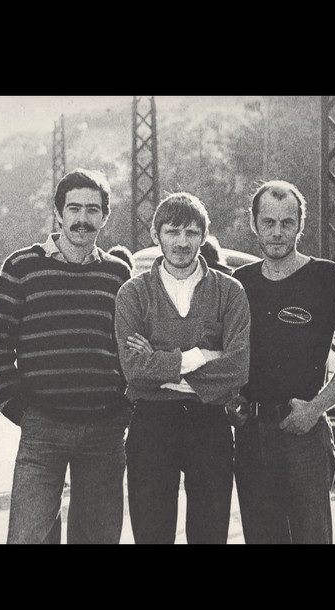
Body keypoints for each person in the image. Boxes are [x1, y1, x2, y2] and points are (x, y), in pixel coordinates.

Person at [0, 168, 132, 544]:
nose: (83, 219)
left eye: (93, 210)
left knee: (98, 539)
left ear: (105, 216)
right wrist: (21, 411)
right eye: (74, 208)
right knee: (27, 537)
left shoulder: (118, 274)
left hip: (104, 431)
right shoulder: (22, 267)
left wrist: (124, 408)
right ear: (58, 213)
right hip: (43, 428)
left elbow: (131, 347)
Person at [232, 179, 335, 544]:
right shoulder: (239, 282)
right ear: (254, 223)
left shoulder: (327, 277)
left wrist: (315, 409)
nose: (277, 232)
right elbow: (225, 352)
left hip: (304, 435)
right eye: (268, 222)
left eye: (286, 222)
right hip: (250, 436)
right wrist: (230, 399)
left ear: (300, 225)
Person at [115, 192, 251, 544]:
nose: (182, 242)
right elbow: (133, 368)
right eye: (172, 232)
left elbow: (238, 366)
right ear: (155, 234)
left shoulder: (229, 291)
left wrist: (161, 365)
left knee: (209, 533)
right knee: (152, 532)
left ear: (203, 236)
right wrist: (204, 355)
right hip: (151, 421)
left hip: (210, 422)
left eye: (191, 232)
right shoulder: (133, 293)